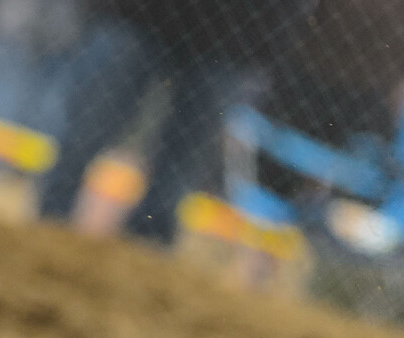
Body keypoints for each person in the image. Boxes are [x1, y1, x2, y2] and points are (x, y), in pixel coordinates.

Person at [35, 0, 313, 244]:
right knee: (88, 126)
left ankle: (145, 248)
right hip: (141, 12)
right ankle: (47, 224)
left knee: (179, 169)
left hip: (237, 34)